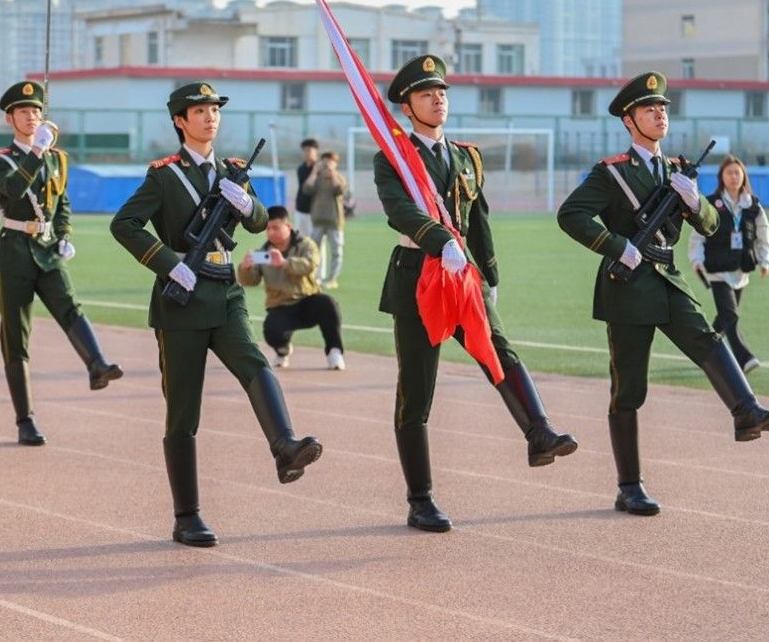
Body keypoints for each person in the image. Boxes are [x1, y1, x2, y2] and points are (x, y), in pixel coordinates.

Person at [557, 71, 769, 517]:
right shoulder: (612, 173)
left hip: (665, 275)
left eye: (662, 107)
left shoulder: (678, 170)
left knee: (708, 339)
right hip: (627, 284)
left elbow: (711, 226)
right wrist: (616, 246)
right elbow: (571, 215)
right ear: (629, 120)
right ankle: (629, 486)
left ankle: (746, 411)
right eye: (649, 109)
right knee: (629, 388)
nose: (659, 113)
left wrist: (696, 202)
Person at [111, 81, 322, 547]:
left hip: (225, 291)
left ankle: (285, 446)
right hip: (181, 301)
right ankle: (187, 516)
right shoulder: (164, 176)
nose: (210, 117)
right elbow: (124, 224)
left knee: (254, 362)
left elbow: (257, 221)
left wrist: (247, 203)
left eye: (214, 110)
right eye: (199, 111)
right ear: (179, 121)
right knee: (183, 411)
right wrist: (168, 263)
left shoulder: (232, 171)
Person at [376, 54, 578, 533]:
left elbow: (479, 220)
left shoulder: (467, 157)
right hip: (418, 276)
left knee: (499, 352)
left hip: (465, 276)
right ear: (407, 107)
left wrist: (491, 276)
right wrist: (439, 239)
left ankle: (539, 431)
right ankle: (421, 500)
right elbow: (399, 210)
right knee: (416, 390)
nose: (437, 100)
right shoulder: (394, 157)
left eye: (441, 92)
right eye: (426, 94)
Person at [0, 81, 122, 446]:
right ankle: (25, 420)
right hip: (15, 251)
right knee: (16, 335)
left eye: (36, 111)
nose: (31, 117)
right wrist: (36, 151)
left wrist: (64, 234)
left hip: (47, 249)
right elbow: (13, 190)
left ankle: (97, 364)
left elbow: (62, 203)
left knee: (70, 306)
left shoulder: (57, 158)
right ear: (10, 118)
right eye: (23, 112)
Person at [688, 155, 769, 375]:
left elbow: (763, 235)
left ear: (743, 176)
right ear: (721, 177)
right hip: (717, 270)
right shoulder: (710, 204)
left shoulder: (753, 206)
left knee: (723, 319)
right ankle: (744, 358)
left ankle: (702, 352)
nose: (733, 176)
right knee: (731, 316)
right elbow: (698, 235)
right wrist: (696, 259)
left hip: (741, 269)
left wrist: (765, 260)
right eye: (729, 173)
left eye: (737, 172)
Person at [237, 205, 344, 370]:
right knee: (271, 330)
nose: (271, 232)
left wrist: (285, 263)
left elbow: (310, 264)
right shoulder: (263, 253)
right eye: (268, 229)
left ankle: (334, 351)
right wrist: (245, 268)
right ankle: (283, 350)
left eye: (276, 228)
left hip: (308, 301)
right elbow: (251, 281)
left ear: (288, 226)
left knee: (329, 304)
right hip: (280, 306)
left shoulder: (306, 245)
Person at [303, 150, 348, 289]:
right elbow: (306, 189)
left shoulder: (339, 178)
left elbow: (339, 190)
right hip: (318, 220)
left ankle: (332, 279)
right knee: (312, 250)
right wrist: (314, 172)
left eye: (330, 163)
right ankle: (312, 277)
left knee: (336, 251)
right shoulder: (317, 178)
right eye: (325, 163)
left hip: (334, 221)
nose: (327, 166)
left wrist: (332, 174)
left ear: (336, 164)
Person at [293, 138, 319, 236]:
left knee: (316, 239)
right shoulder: (301, 169)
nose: (307, 153)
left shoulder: (321, 168)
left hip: (315, 210)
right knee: (299, 238)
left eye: (309, 150)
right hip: (300, 208)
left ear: (316, 151)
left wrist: (316, 170)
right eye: (305, 150)